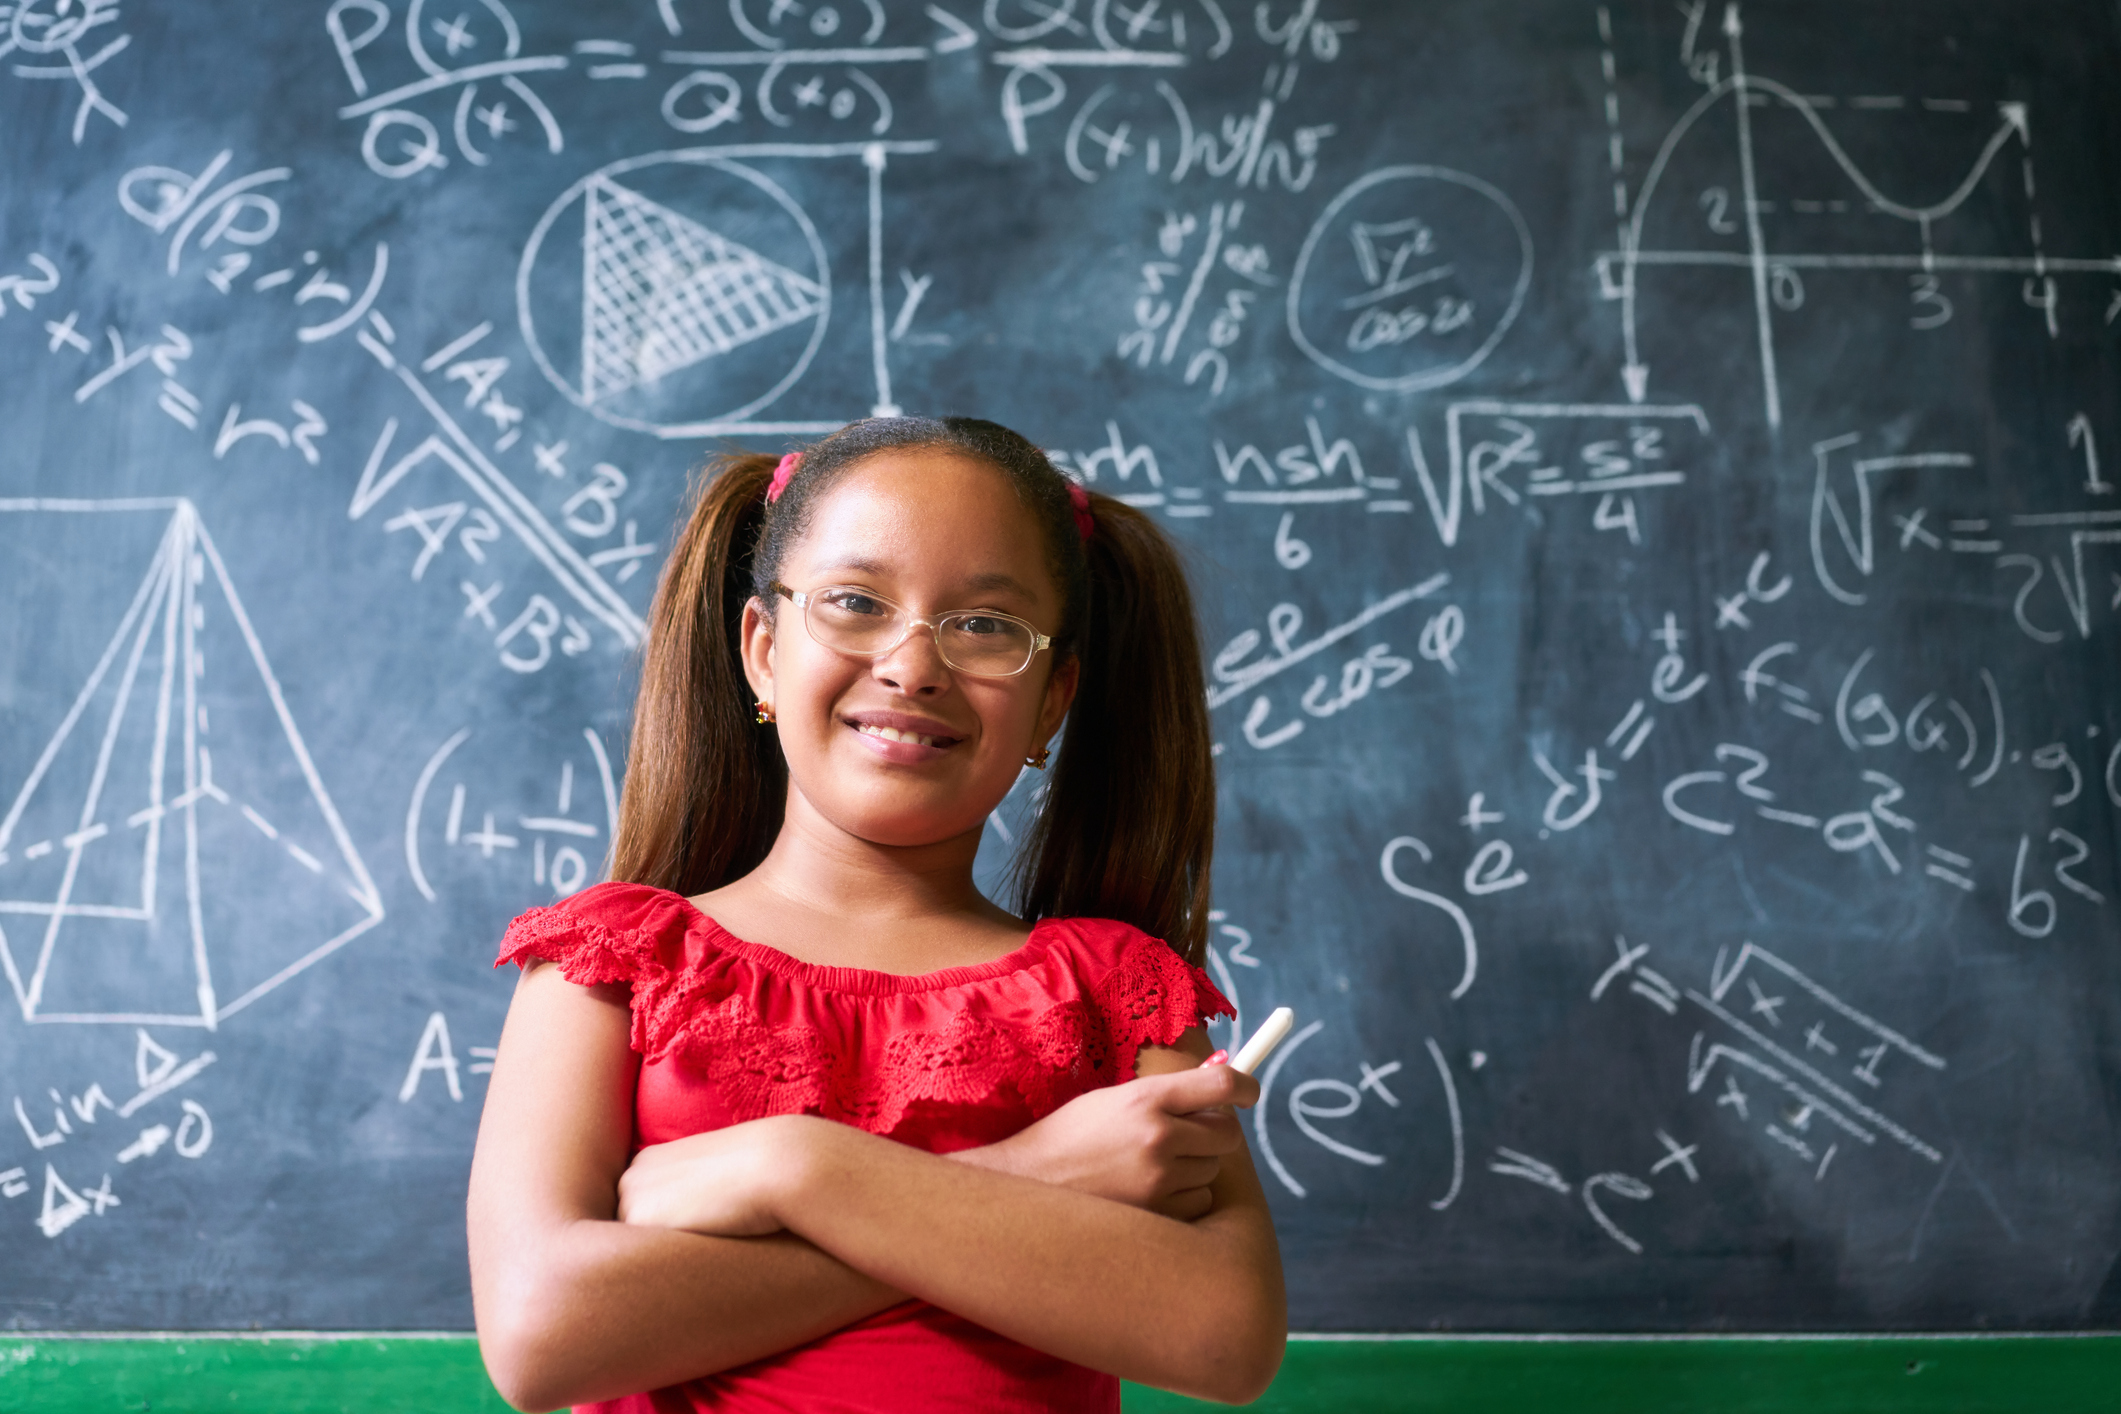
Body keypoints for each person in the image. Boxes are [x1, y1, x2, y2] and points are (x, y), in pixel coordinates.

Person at [466, 416, 1286, 1412]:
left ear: (1052, 698)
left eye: (986, 625)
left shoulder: (1117, 992)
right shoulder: (614, 964)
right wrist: (1035, 1173)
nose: (913, 665)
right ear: (763, 652)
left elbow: (1223, 1337)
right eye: (856, 602)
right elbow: (542, 1337)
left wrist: (789, 1169)